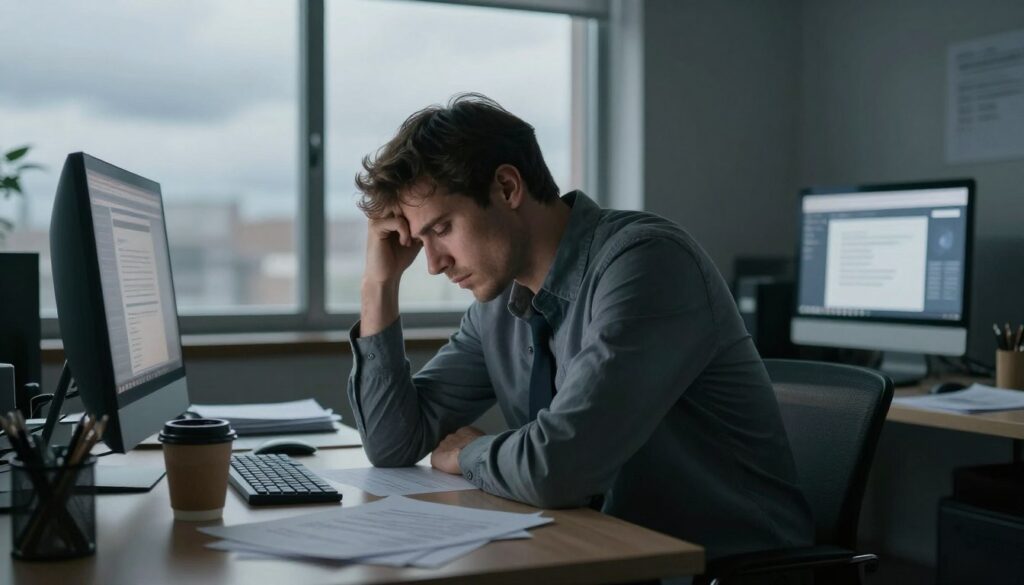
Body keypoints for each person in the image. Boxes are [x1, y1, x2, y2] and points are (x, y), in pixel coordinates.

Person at [347, 93, 813, 561]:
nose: (432, 264)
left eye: (443, 228)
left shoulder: (647, 263)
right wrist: (378, 285)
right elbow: (393, 443)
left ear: (508, 188)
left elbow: (557, 471)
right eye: (419, 239)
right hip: (601, 552)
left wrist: (470, 453)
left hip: (723, 566)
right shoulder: (499, 303)